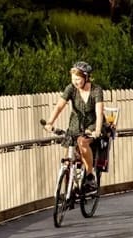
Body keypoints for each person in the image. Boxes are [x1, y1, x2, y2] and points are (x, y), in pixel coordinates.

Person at [44, 61, 105, 192]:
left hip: (92, 124)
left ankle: (89, 176)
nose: (75, 82)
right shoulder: (71, 89)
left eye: (78, 79)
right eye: (73, 79)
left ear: (86, 77)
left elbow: (99, 113)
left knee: (83, 142)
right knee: (68, 160)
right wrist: (50, 122)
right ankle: (68, 192)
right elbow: (59, 106)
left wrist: (98, 130)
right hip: (75, 125)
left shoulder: (96, 90)